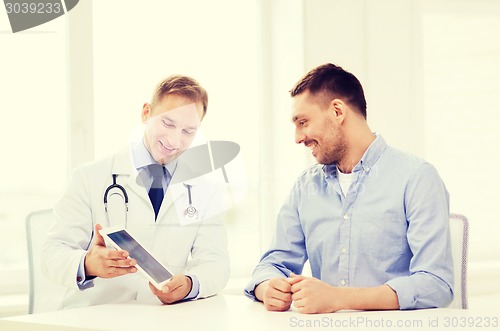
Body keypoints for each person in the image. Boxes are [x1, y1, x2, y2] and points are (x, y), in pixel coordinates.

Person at [244, 63, 453, 313]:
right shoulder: (306, 186)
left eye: (303, 122)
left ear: (337, 111)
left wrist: (339, 298)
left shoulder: (416, 177)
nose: (297, 137)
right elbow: (273, 263)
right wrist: (268, 287)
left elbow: (436, 284)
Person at [42, 75, 229, 309]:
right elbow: (52, 255)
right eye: (168, 123)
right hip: (94, 318)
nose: (174, 140)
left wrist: (190, 284)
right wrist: (88, 264)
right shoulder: (88, 177)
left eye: (188, 131)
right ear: (146, 113)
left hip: (161, 319)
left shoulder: (205, 191)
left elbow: (216, 263)